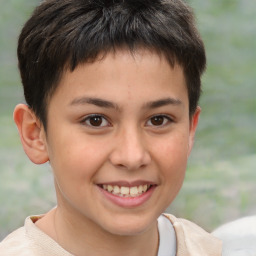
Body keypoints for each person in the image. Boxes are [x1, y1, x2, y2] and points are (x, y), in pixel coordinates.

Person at [0, 0, 222, 255]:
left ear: (190, 130)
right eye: (95, 120)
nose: (132, 156)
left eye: (158, 120)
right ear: (35, 134)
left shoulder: (215, 250)